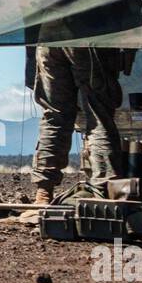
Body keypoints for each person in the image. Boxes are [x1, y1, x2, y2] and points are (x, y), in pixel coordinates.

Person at [30, 46, 126, 204]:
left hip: (48, 39)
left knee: (54, 116)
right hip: (88, 35)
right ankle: (104, 190)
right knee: (99, 115)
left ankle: (43, 193)